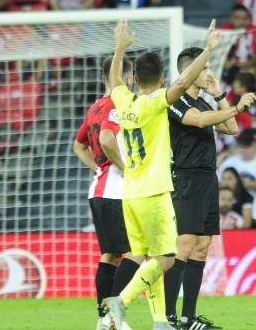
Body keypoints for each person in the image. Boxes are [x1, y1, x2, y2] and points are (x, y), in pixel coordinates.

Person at [103, 19, 220, 330]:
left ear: (135, 79)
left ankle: (160, 322)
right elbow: (182, 85)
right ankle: (118, 306)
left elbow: (114, 79)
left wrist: (120, 48)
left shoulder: (124, 101)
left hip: (130, 193)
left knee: (147, 255)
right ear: (162, 77)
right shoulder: (155, 103)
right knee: (165, 259)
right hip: (155, 193)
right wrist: (207, 51)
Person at [164, 47, 256, 329]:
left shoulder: (205, 102)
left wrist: (218, 94)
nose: (209, 73)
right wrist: (238, 106)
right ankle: (168, 318)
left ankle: (188, 317)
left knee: (202, 247)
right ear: (189, 72)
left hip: (207, 178)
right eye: (204, 69)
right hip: (186, 177)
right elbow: (202, 121)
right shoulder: (175, 101)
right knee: (184, 245)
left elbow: (231, 128)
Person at [73, 56, 142, 330]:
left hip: (99, 189)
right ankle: (114, 315)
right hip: (116, 190)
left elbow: (78, 146)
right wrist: (125, 168)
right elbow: (105, 138)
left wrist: (97, 168)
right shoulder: (117, 103)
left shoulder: (95, 107)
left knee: (111, 255)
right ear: (126, 78)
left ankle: (105, 319)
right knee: (140, 251)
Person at [217, 129, 256, 193]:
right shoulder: (230, 161)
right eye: (242, 147)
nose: (245, 150)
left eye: (248, 147)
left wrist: (240, 183)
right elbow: (220, 183)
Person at [222, 4, 256, 73]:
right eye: (237, 18)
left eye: (244, 18)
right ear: (231, 19)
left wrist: (241, 67)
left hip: (249, 68)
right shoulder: (224, 30)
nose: (241, 22)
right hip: (229, 69)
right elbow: (219, 53)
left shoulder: (255, 31)